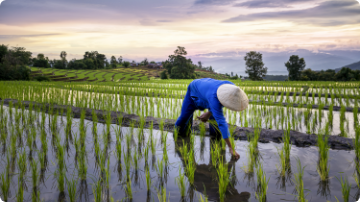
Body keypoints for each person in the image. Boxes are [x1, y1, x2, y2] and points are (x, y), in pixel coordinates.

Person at [175, 78, 249, 160]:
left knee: (215, 123)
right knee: (184, 117)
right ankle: (177, 138)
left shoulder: (233, 89)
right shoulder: (213, 98)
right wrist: (231, 148)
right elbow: (222, 123)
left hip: (208, 91)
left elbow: (220, 104)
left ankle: (215, 140)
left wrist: (208, 113)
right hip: (195, 89)